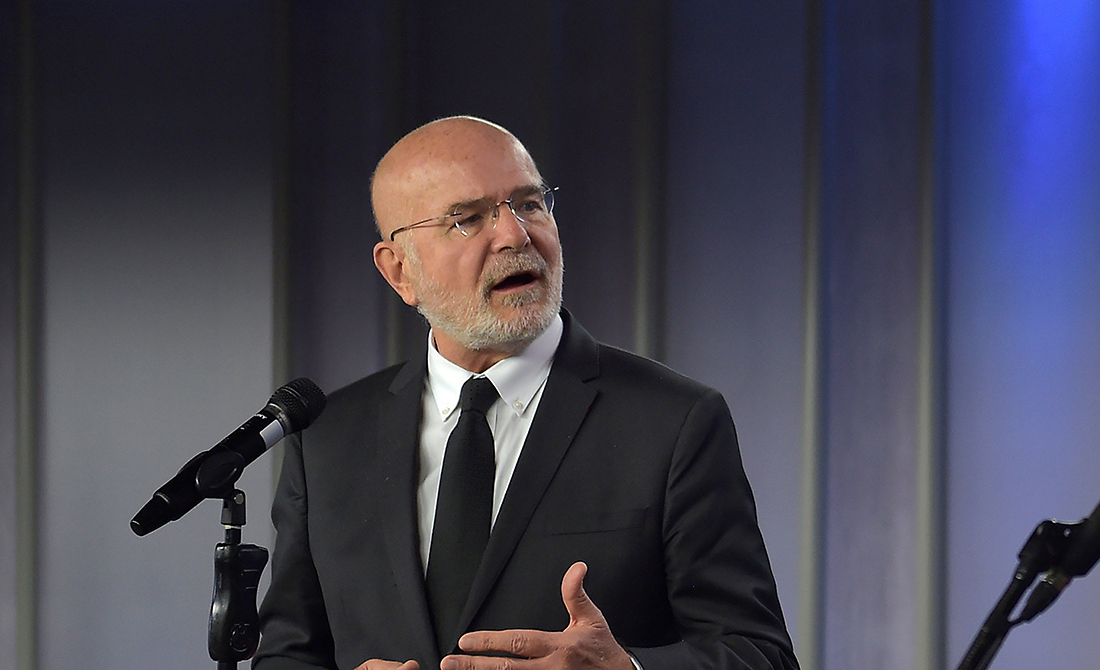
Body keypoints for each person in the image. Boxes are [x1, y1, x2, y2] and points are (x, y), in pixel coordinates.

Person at [253, 116, 799, 670]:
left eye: (530, 204)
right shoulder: (325, 439)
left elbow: (761, 655)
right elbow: (286, 657)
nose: (515, 235)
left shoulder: (675, 422)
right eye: (467, 219)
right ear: (400, 272)